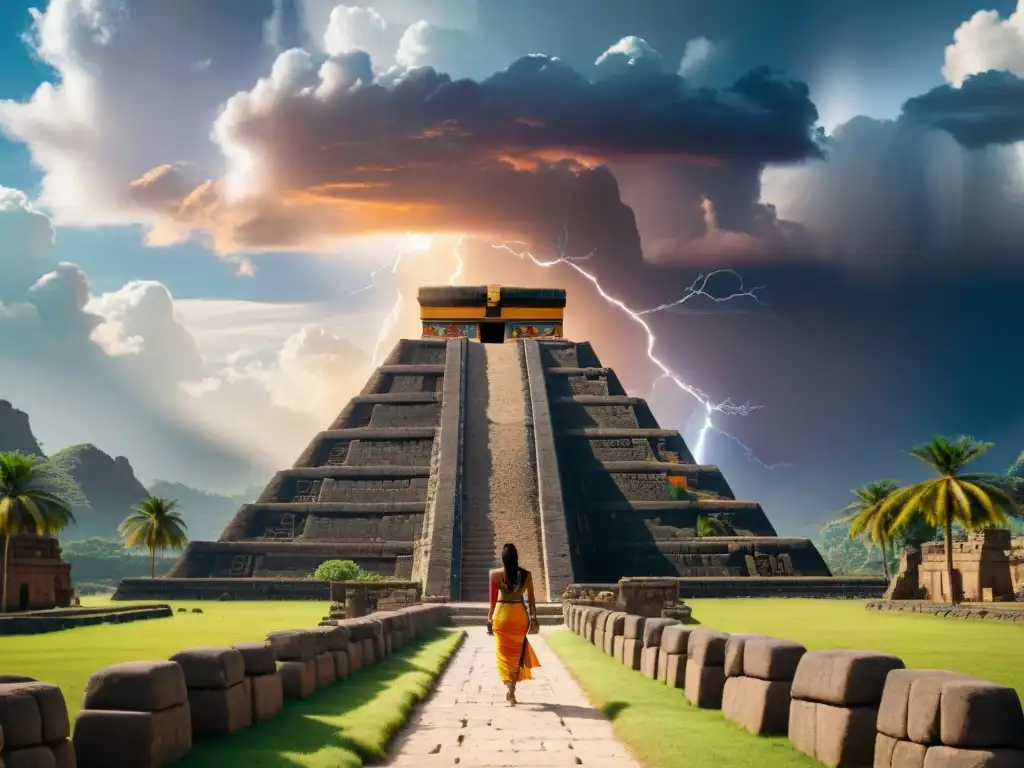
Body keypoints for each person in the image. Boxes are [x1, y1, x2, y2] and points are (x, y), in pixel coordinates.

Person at [486, 543, 540, 706]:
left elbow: (493, 601)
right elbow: (531, 600)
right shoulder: (526, 575)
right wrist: (534, 618)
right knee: (517, 655)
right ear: (516, 557)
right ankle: (512, 691)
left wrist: (489, 620)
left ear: (502, 558)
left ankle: (509, 685)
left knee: (503, 655)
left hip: (501, 616)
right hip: (519, 617)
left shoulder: (494, 574)